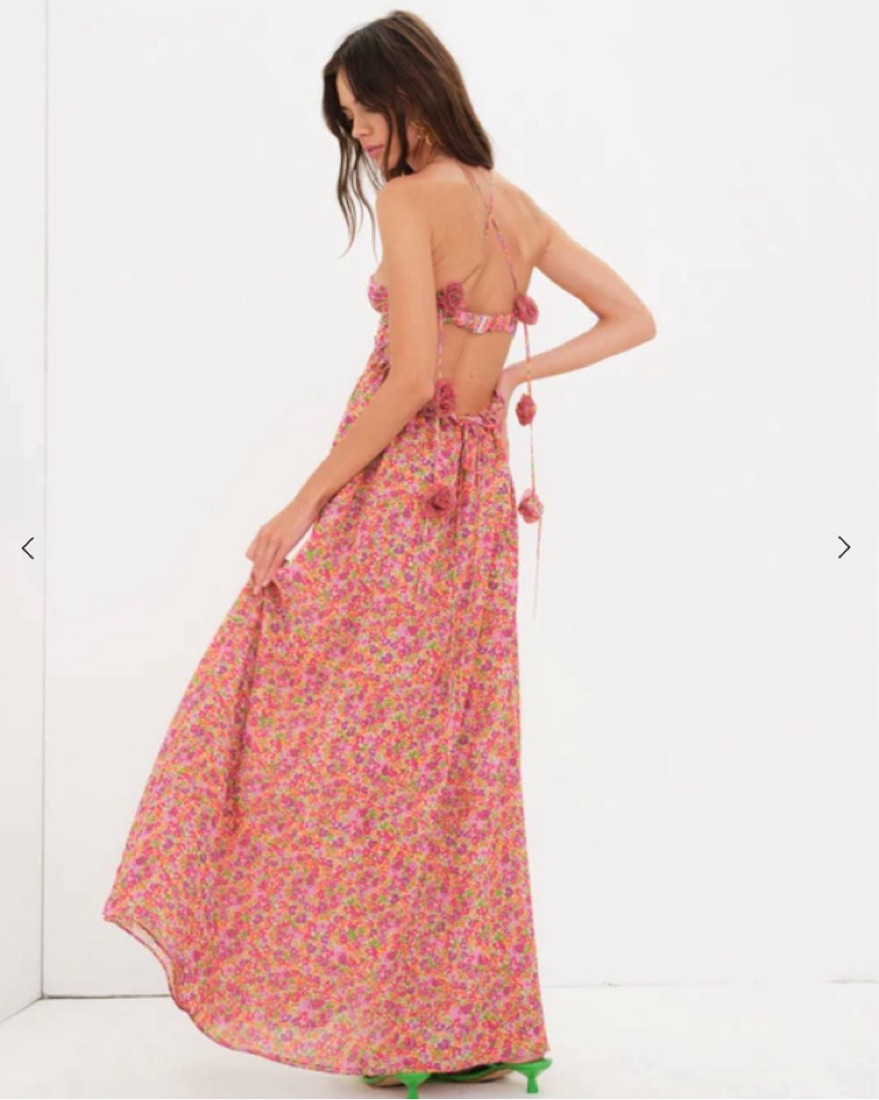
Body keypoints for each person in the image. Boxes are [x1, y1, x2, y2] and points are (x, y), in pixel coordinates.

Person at [102, 10, 656, 1100]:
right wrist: (508, 375)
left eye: (365, 112)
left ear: (414, 93)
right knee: (457, 761)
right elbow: (630, 317)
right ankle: (459, 1022)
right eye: (345, 119)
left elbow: (406, 384)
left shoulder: (412, 200)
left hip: (400, 501)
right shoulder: (513, 204)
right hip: (478, 503)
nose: (357, 134)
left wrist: (301, 503)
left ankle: (387, 1017)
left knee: (326, 737)